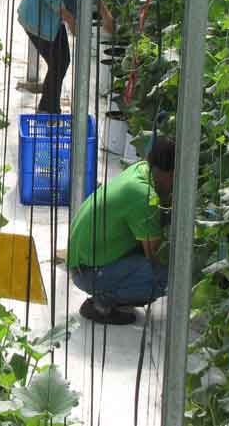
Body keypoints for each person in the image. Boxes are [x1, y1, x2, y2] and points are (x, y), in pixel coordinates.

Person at [67, 137, 174, 324]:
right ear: (170, 173)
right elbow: (155, 255)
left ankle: (110, 288)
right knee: (168, 273)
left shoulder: (140, 169)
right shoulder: (144, 195)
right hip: (88, 272)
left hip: (84, 260)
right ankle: (103, 302)